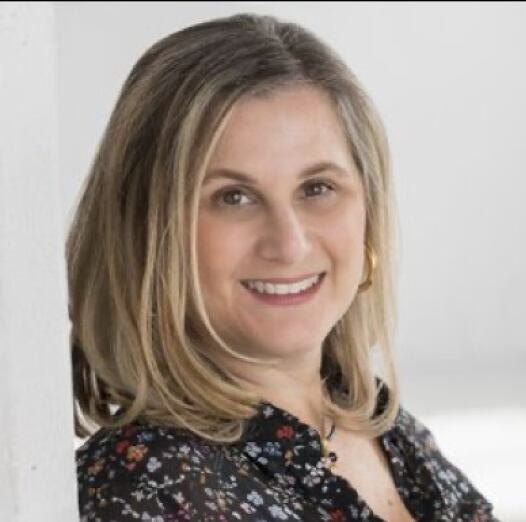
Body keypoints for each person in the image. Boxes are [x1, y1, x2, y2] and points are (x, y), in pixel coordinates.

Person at [70, 13, 497, 522]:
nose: (290, 244)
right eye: (234, 197)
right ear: (146, 230)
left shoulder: (385, 427)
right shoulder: (145, 487)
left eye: (317, 188)